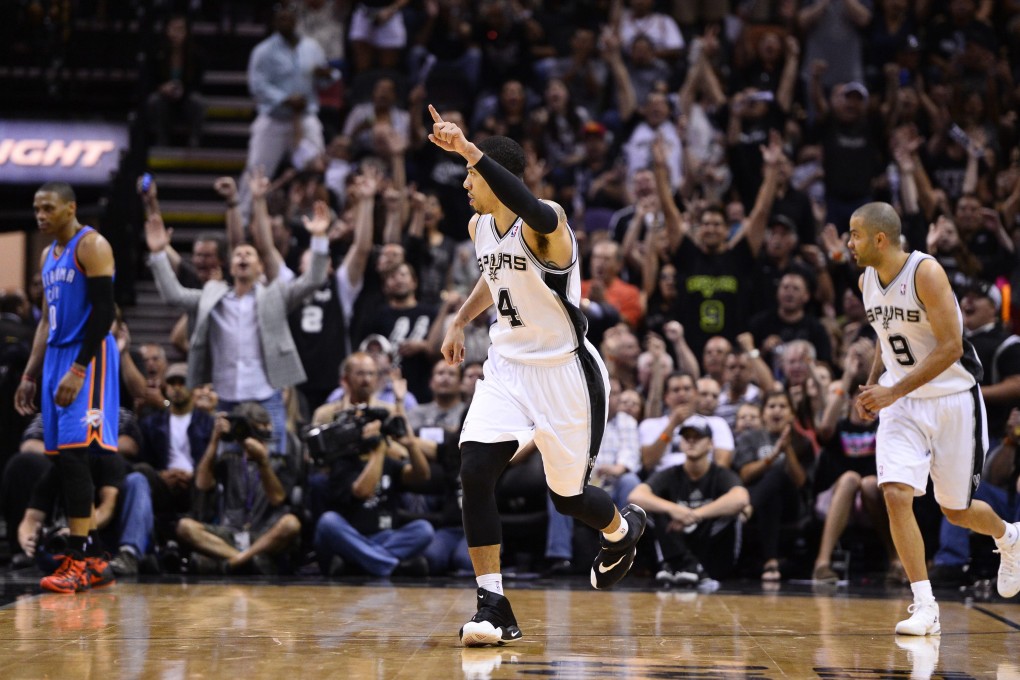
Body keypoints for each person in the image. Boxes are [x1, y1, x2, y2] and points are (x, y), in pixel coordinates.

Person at [427, 105, 647, 647]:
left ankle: (623, 530)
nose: (464, 183)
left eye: (471, 175)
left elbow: (528, 210)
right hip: (506, 368)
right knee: (475, 468)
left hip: (564, 373)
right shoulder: (480, 226)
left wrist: (469, 148)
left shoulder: (548, 224)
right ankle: (493, 604)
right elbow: (492, 273)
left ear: (495, 176)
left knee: (568, 499)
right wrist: (460, 319)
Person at [848, 201, 1020, 635]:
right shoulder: (866, 279)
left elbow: (951, 349)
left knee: (956, 511)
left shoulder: (926, 273)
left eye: (855, 235)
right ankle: (925, 605)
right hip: (903, 406)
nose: (849, 244)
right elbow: (885, 340)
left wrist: (891, 389)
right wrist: (874, 388)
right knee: (895, 493)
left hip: (952, 399)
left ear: (880, 238)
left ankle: (1009, 537)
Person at [14, 181, 119, 594]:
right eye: (37, 209)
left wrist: (79, 368)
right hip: (57, 354)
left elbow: (106, 312)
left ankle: (82, 559)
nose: (40, 216)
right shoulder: (46, 255)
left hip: (87, 354)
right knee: (60, 458)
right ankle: (87, 555)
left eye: (48, 209)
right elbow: (45, 321)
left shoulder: (90, 245)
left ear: (70, 207)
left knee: (77, 457)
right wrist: (29, 373)